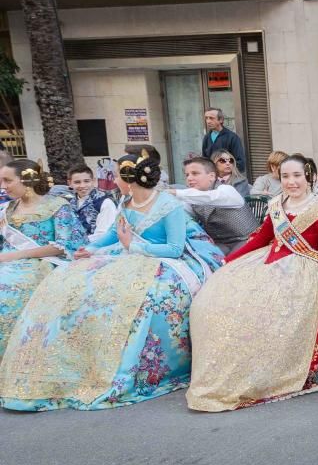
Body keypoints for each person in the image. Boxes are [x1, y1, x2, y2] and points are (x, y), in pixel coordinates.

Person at [0, 152, 224, 411]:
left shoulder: (167, 205)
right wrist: (91, 249)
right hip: (127, 255)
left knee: (148, 295)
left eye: (117, 175)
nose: (113, 179)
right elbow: (110, 235)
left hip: (167, 260)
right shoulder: (126, 202)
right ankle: (76, 364)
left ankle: (129, 365)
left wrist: (134, 246)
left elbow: (174, 248)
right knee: (75, 282)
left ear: (130, 179)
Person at [186, 155, 318, 411]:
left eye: (296, 176)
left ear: (308, 177)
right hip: (269, 262)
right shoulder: (277, 205)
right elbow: (261, 240)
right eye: (285, 177)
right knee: (225, 299)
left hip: (306, 267)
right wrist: (228, 263)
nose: (291, 182)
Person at [0, 160, 86, 358]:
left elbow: (68, 245)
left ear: (27, 180)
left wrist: (13, 256)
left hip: (40, 265)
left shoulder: (57, 207)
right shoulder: (6, 209)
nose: (3, 186)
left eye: (7, 180)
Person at [169, 157, 259, 255]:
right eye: (187, 175)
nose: (189, 178)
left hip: (248, 239)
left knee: (228, 266)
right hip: (220, 244)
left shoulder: (227, 190)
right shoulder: (191, 200)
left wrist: (175, 192)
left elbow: (210, 197)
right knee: (199, 259)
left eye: (195, 173)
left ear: (212, 176)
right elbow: (181, 216)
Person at [67, 164, 117, 241]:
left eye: (86, 181)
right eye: (77, 182)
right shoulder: (68, 204)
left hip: (98, 248)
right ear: (70, 183)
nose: (82, 185)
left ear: (93, 181)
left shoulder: (105, 202)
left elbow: (103, 234)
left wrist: (75, 242)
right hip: (71, 247)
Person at [201, 108, 246, 172]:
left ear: (221, 120)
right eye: (206, 118)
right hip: (212, 178)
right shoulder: (207, 137)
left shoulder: (232, 137)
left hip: (229, 178)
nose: (208, 121)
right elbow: (204, 161)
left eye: (211, 118)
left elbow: (240, 163)